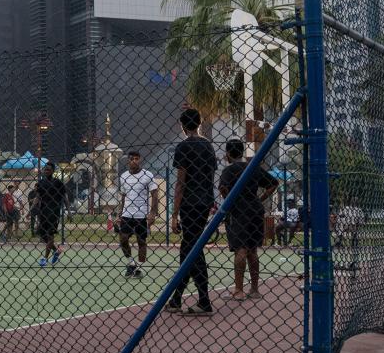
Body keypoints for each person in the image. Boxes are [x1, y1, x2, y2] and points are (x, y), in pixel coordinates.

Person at [169, 109, 217, 316]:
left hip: (190, 203)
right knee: (188, 249)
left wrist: (173, 213)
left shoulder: (183, 147)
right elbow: (209, 175)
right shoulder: (208, 146)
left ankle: (204, 300)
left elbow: (181, 182)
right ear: (199, 122)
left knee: (192, 250)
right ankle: (176, 297)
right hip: (204, 201)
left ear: (182, 125)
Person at [219, 140, 279, 300]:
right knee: (252, 250)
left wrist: (229, 200)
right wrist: (260, 198)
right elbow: (273, 183)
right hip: (255, 209)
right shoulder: (252, 167)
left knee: (241, 249)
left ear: (228, 154)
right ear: (242, 152)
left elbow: (223, 189)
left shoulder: (228, 170)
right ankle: (254, 289)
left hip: (238, 211)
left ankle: (238, 290)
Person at [118, 151, 159, 278]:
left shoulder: (148, 175)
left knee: (141, 241)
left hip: (141, 215)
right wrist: (120, 212)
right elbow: (124, 196)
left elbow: (155, 194)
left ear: (140, 160)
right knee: (123, 239)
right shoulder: (123, 176)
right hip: (127, 214)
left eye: (136, 159)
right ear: (128, 161)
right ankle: (132, 263)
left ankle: (139, 269)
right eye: (132, 159)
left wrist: (152, 213)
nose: (134, 161)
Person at [31, 164, 67, 267]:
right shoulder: (41, 183)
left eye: (48, 170)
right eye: (45, 169)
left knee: (50, 235)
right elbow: (38, 197)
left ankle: (45, 258)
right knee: (42, 235)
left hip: (54, 212)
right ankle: (56, 250)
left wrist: (68, 210)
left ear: (52, 171)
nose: (46, 171)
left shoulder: (58, 182)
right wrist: (31, 209)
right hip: (43, 212)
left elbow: (65, 196)